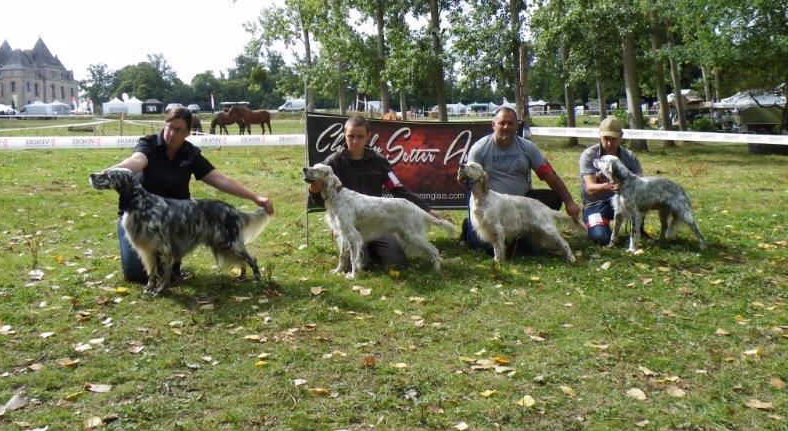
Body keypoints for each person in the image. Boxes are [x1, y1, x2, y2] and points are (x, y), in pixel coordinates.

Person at [106, 107, 274, 283]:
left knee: (164, 271)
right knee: (136, 275)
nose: (171, 133)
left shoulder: (190, 153)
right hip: (140, 218)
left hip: (176, 221)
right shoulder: (148, 144)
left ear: (187, 133)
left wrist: (255, 197)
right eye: (169, 127)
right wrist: (110, 172)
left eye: (178, 130)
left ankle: (171, 261)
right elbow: (137, 161)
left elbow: (220, 179)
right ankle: (167, 262)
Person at [307, 115, 442, 272]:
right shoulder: (332, 162)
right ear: (344, 134)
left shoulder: (380, 162)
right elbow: (318, 199)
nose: (355, 141)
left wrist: (425, 208)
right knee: (359, 264)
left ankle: (371, 247)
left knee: (398, 262)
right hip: (348, 226)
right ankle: (363, 251)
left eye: (360, 136)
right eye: (351, 136)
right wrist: (313, 192)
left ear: (368, 136)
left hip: (377, 224)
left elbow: (398, 189)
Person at [461, 106, 580, 253]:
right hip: (491, 206)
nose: (506, 127)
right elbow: (468, 177)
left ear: (516, 126)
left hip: (520, 205)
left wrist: (569, 202)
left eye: (510, 123)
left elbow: (549, 174)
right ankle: (470, 227)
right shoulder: (479, 148)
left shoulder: (527, 147)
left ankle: (523, 234)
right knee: (486, 247)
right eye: (502, 123)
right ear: (493, 125)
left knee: (553, 198)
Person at [578, 115, 642, 245]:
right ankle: (598, 224)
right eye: (605, 138)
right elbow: (590, 188)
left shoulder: (629, 156)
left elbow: (641, 182)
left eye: (613, 139)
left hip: (623, 201)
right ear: (599, 135)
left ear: (621, 137)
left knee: (642, 200)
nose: (609, 143)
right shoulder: (589, 155)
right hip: (595, 205)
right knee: (600, 238)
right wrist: (611, 186)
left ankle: (637, 229)